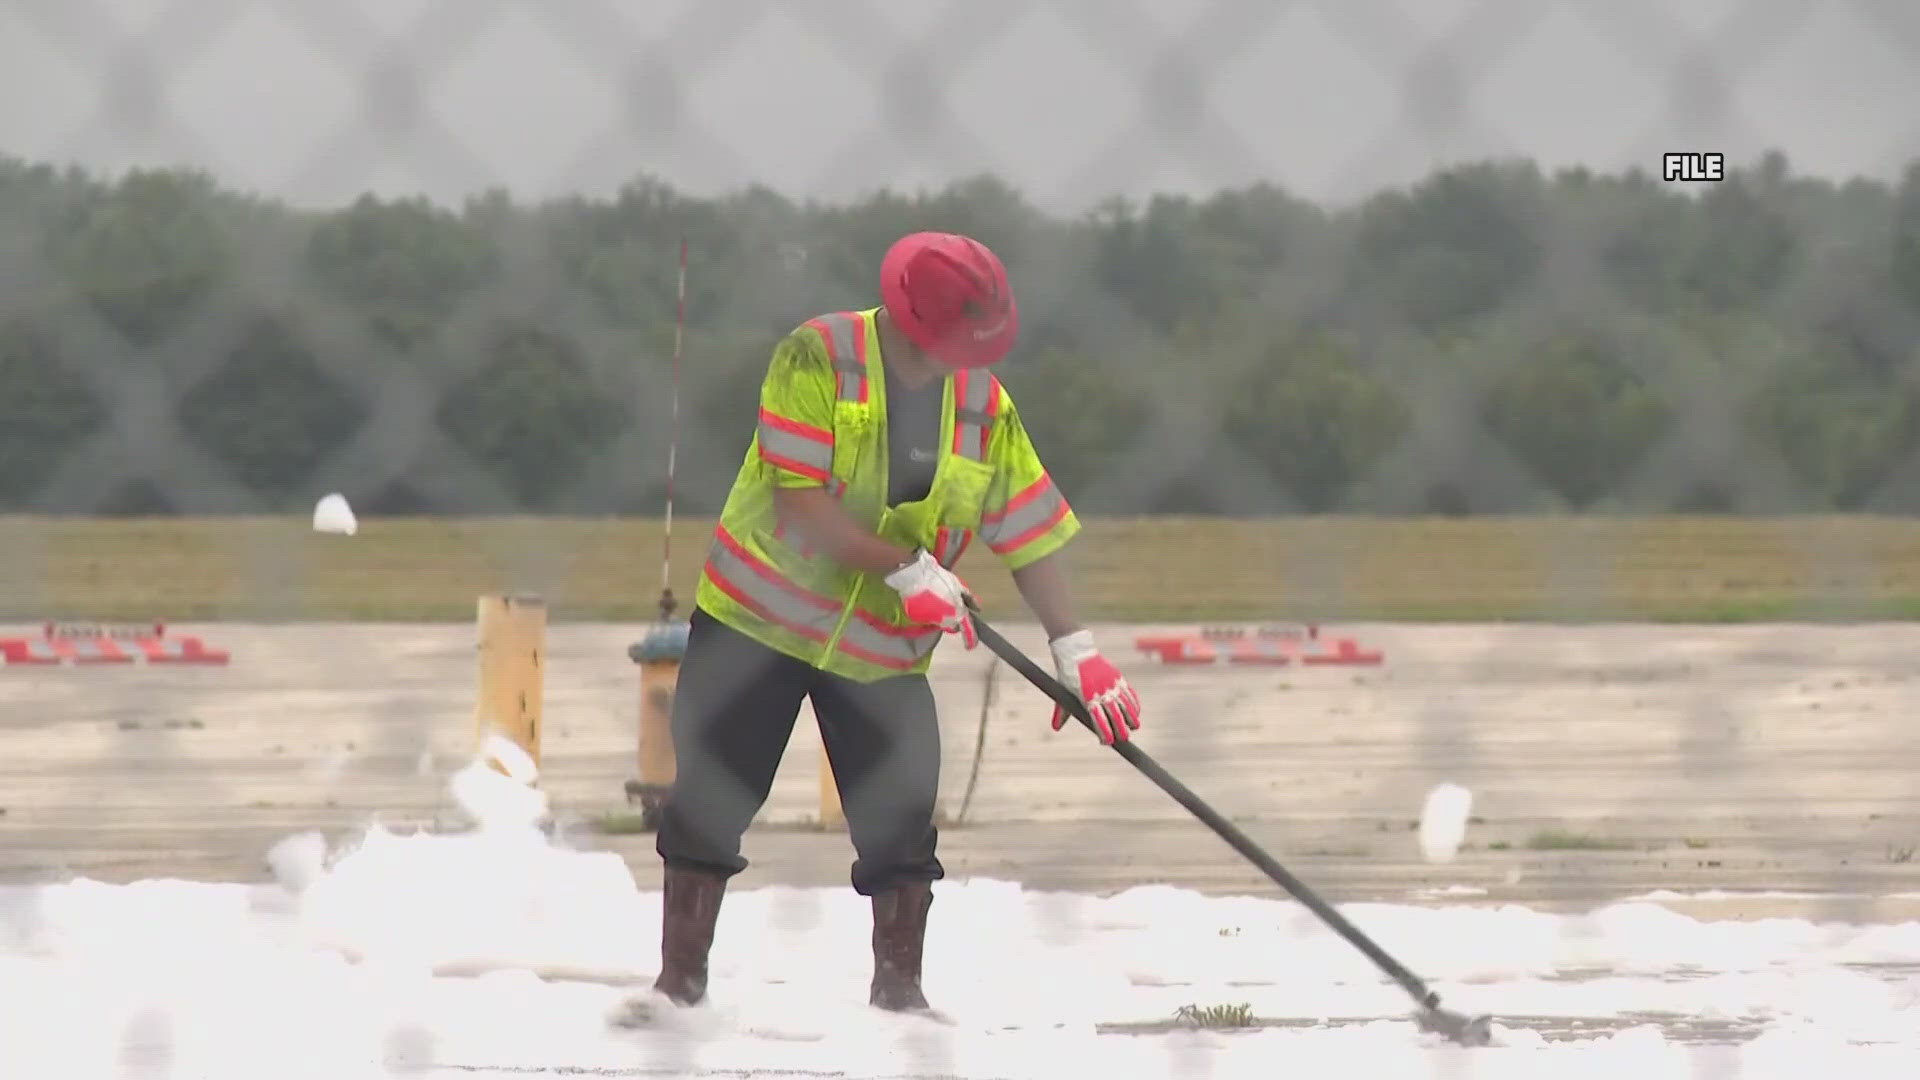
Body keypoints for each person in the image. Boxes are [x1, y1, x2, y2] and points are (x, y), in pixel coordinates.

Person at [649, 230, 1145, 1014]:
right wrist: (907, 567)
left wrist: (1075, 647)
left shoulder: (983, 403)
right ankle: (678, 988)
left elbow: (1027, 526)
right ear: (917, 322)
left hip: (880, 652)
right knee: (709, 803)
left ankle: (900, 999)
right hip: (760, 623)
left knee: (904, 826)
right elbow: (798, 499)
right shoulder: (817, 356)